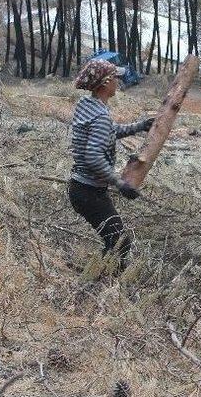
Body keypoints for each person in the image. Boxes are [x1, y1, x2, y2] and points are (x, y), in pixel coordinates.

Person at [68, 59, 154, 272]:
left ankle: (100, 278)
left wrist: (140, 126)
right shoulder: (100, 115)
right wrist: (120, 183)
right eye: (116, 77)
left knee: (115, 240)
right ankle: (102, 283)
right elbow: (93, 157)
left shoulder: (87, 106)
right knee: (119, 241)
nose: (119, 81)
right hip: (88, 192)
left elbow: (109, 130)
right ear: (106, 83)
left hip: (81, 189)